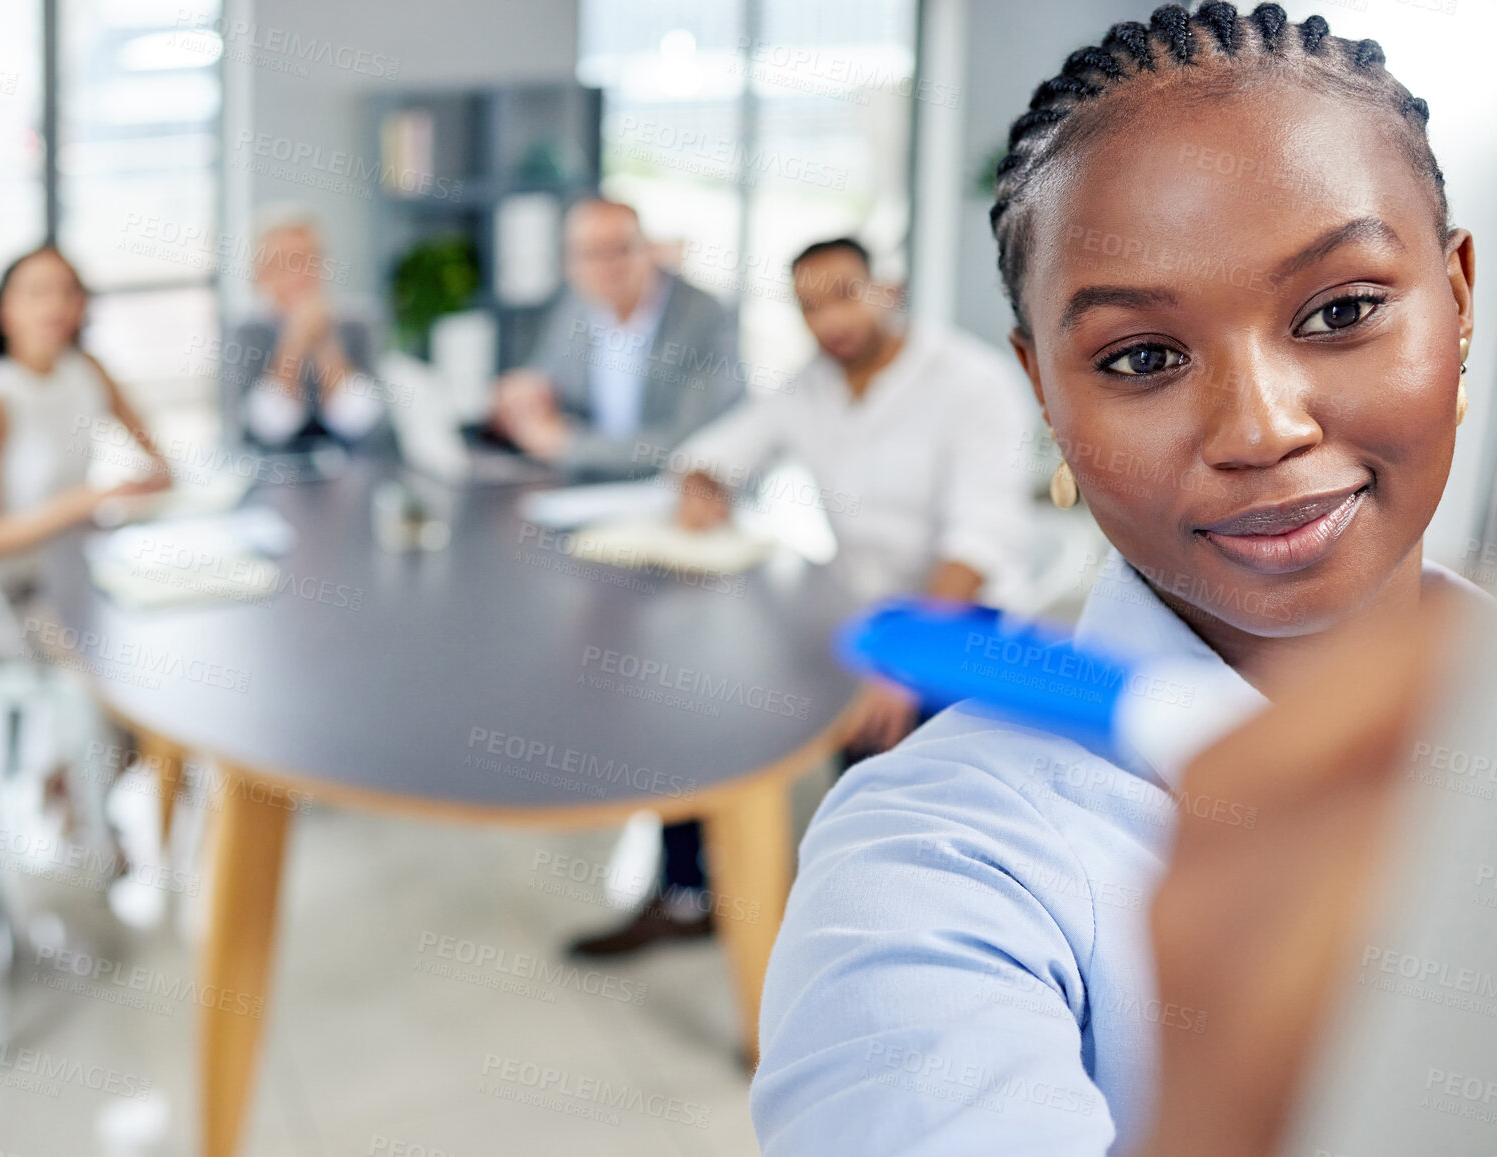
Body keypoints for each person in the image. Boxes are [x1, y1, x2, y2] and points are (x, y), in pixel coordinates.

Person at [751, 4, 1482, 1154]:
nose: (1260, 428)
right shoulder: (930, 860)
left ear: (1460, 298)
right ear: (1044, 388)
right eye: (1141, 357)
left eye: (1341, 311)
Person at [568, 236, 1034, 957]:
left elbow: (978, 543)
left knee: (883, 773)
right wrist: (702, 485)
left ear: (889, 289)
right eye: (810, 306)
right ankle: (688, 892)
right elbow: (713, 452)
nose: (830, 321)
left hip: (959, 619)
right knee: (700, 692)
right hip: (853, 608)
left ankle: (890, 940)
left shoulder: (970, 381)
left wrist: (898, 664)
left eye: (845, 294)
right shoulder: (811, 386)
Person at [0, 245, 169, 598]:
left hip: (77, 572)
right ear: (5, 310)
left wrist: (148, 481)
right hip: (12, 596)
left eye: (69, 291)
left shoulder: (88, 369)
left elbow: (156, 455)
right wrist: (80, 504)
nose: (56, 306)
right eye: (37, 292)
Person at [489, 198, 742, 479]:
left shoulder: (705, 317)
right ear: (569, 263)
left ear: (649, 250)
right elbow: (548, 374)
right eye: (589, 253)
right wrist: (529, 394)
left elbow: (687, 442)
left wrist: (568, 446)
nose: (605, 266)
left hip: (673, 493)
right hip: (584, 488)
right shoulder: (577, 305)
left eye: (620, 249)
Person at [226, 205, 390, 453]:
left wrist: (325, 341)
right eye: (283, 264)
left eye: (308, 260)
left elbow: (361, 423)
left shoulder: (357, 324)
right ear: (259, 274)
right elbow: (267, 430)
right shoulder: (246, 333)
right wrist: (294, 341)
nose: (298, 276)